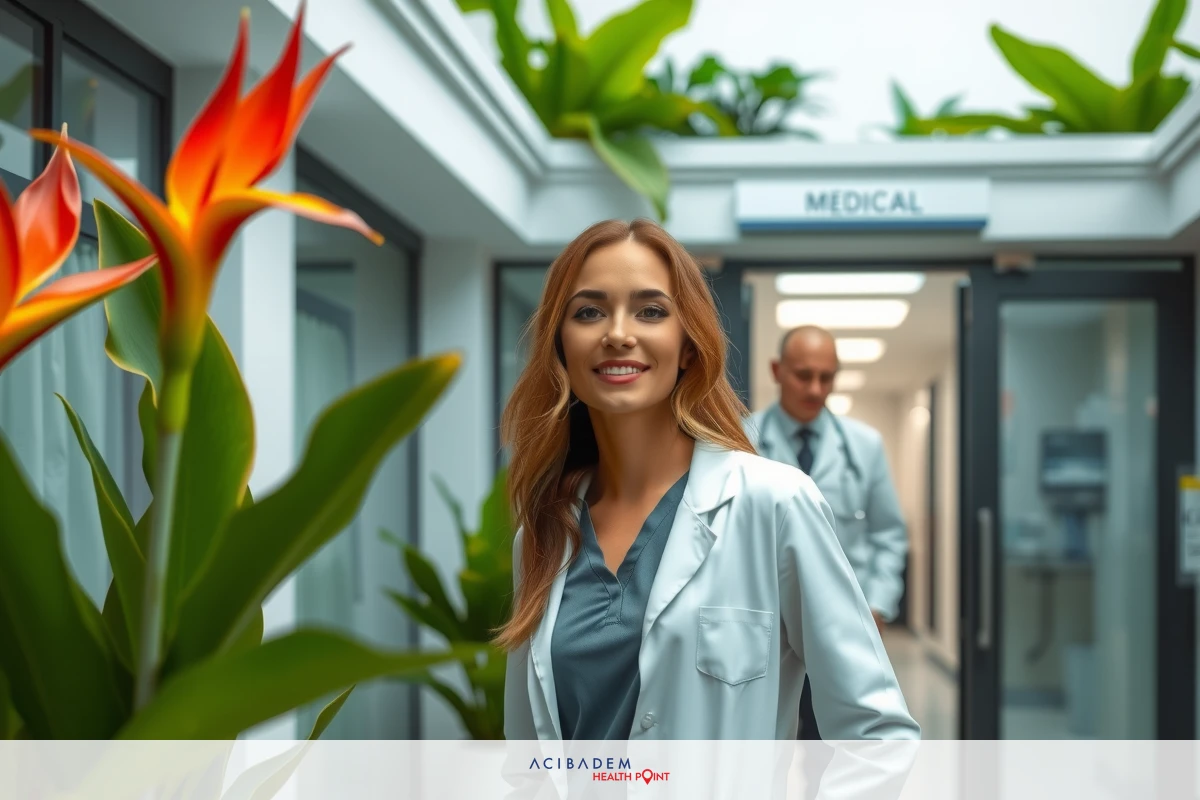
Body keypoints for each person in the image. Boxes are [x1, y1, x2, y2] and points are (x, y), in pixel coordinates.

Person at [499, 218, 918, 746]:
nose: (619, 333)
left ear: (690, 346)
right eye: (589, 311)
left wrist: (877, 601)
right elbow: (527, 754)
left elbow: (877, 732)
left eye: (651, 311)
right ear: (560, 346)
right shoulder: (541, 533)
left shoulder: (776, 502)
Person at [744, 325, 909, 744]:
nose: (816, 389)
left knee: (834, 747)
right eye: (803, 375)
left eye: (827, 377)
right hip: (763, 624)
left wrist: (878, 604)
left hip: (841, 624)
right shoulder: (739, 438)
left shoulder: (864, 446)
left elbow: (888, 533)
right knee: (763, 744)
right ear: (777, 370)